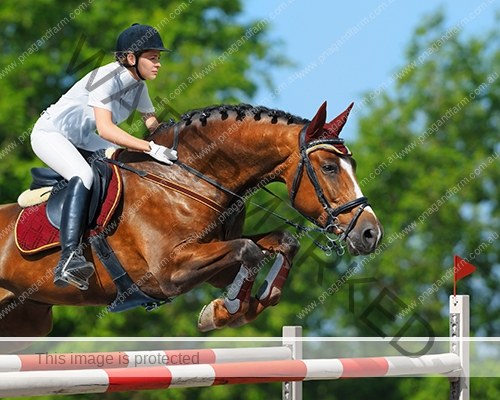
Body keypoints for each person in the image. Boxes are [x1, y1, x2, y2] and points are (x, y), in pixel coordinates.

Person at [30, 23, 177, 290]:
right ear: (132, 58)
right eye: (153, 58)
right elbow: (107, 129)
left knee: (127, 164)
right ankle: (68, 258)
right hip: (50, 134)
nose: (158, 64)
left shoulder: (139, 86)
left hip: (82, 137)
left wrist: (175, 148)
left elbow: (154, 127)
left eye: (159, 59)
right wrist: (149, 148)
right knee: (83, 174)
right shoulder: (107, 78)